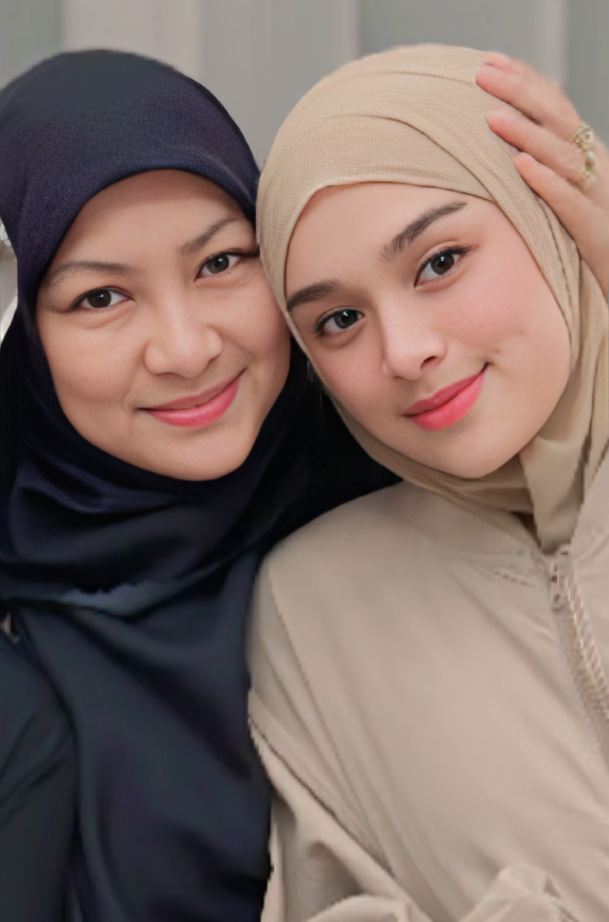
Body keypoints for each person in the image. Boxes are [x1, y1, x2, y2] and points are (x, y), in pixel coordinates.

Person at [0, 51, 395, 921]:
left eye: (220, 263)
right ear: (24, 338)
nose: (185, 349)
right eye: (99, 298)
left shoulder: (418, 497)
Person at [249, 45, 609, 922]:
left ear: (550, 222)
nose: (404, 351)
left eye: (440, 262)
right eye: (338, 320)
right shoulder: (313, 605)